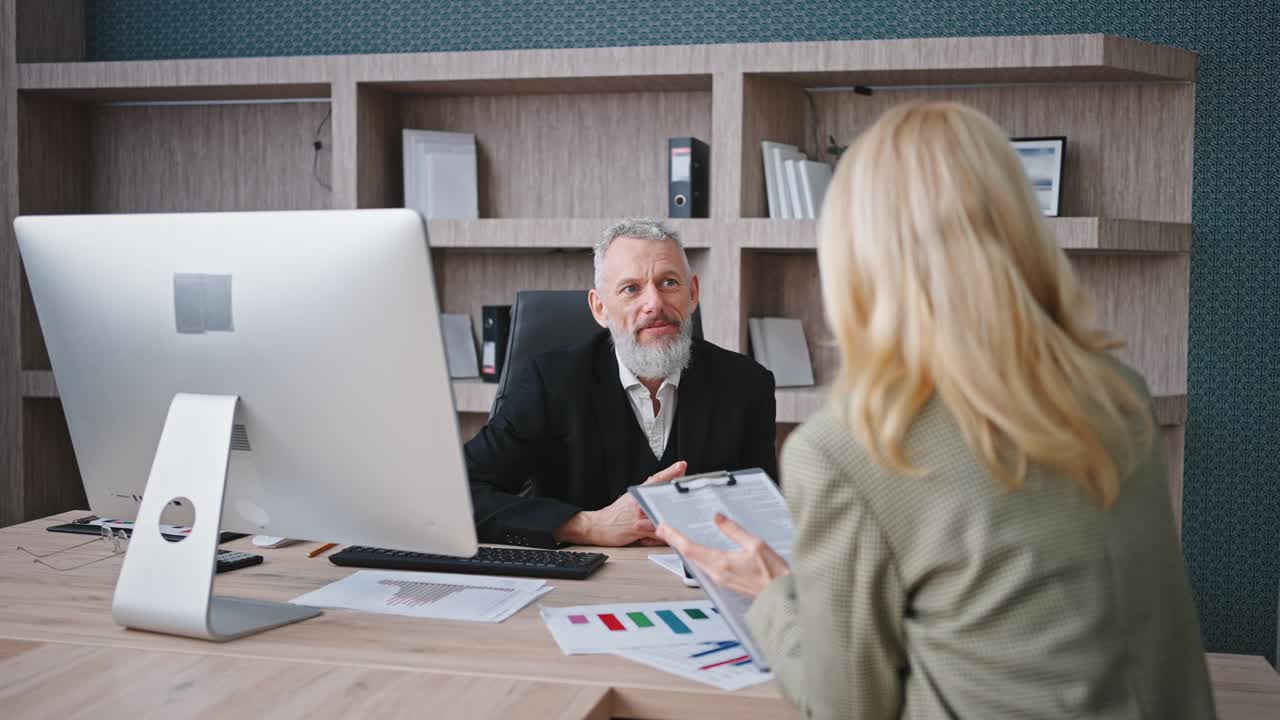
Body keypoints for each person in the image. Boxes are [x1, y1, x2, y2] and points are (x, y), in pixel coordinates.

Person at [658, 102, 1215, 718]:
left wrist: (771, 596)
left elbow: (845, 706)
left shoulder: (853, 449)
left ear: (857, 251)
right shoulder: (1118, 391)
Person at [465, 218, 777, 549]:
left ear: (693, 293)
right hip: (583, 584)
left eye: (669, 283)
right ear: (600, 308)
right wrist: (585, 525)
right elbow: (462, 493)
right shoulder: (549, 382)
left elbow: (765, 516)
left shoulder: (747, 385)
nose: (654, 304)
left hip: (699, 579)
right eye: (631, 289)